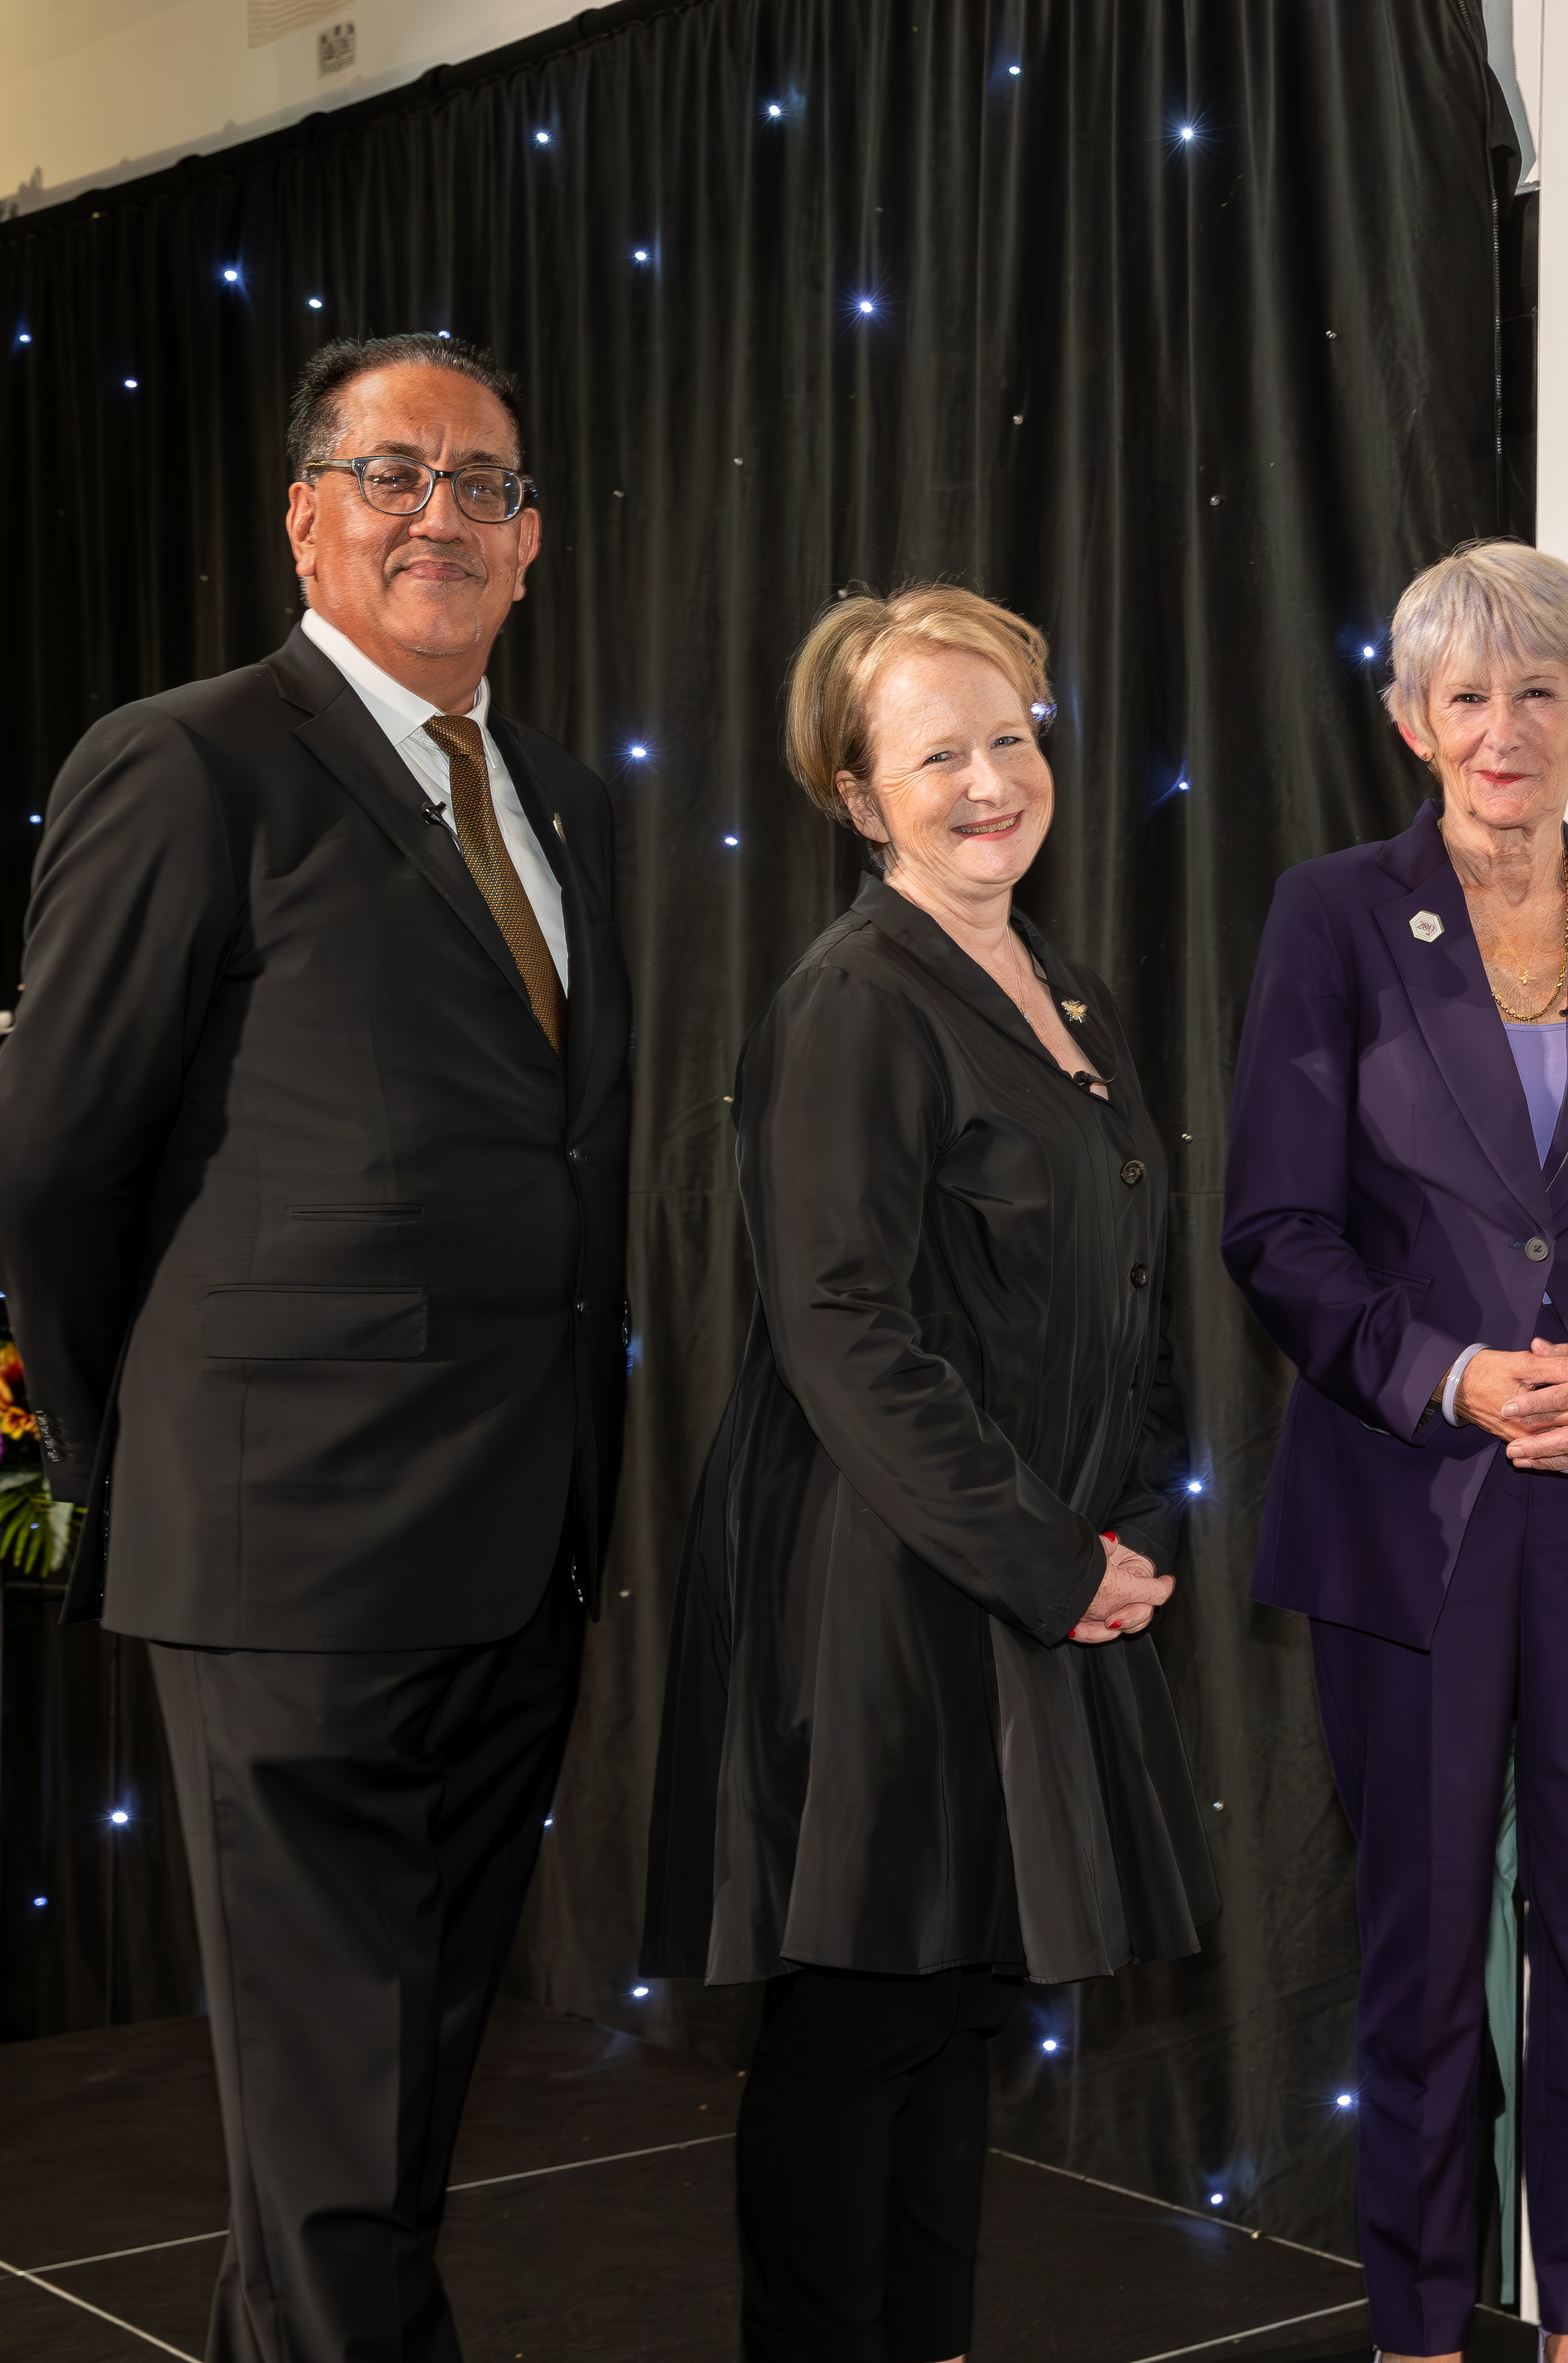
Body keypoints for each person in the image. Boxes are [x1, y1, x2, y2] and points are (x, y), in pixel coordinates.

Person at [0, 332, 630, 2360]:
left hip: (514, 1533)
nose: (441, 514)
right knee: (338, 2087)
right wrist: (142, 1450)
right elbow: (50, 1171)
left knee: (403, 2076)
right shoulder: (191, 760)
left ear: (532, 548)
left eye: (485, 486)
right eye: (393, 474)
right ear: (304, 516)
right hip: (292, 1547)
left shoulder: (536, 787)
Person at [1221, 542, 1568, 2363]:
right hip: (1412, 1514)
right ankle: (1417, 2331)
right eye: (1466, 696)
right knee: (1421, 1955)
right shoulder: (1330, 916)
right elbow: (1276, 1233)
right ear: (1410, 721)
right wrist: (1454, 1376)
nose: (1503, 729)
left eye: (1540, 691)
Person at [642, 586, 1216, 2363]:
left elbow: (1119, 1279)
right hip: (877, 1586)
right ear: (855, 791)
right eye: (939, 752)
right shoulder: (851, 1002)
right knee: (865, 2022)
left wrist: (1118, 1512)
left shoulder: (1061, 982)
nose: (992, 780)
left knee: (956, 2010)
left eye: (1013, 738)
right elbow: (845, 1334)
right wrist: (1051, 1559)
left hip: (1017, 1566)